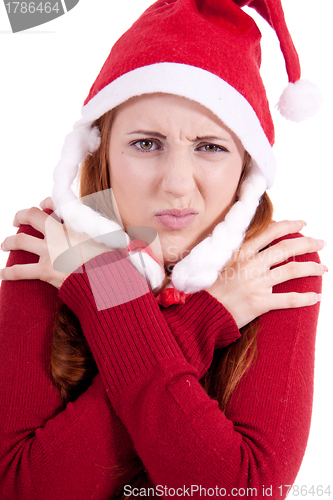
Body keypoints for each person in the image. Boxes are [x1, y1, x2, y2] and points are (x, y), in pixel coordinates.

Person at [0, 0, 327, 499]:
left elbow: (243, 492)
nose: (177, 185)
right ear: (101, 149)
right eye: (147, 144)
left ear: (246, 164)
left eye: (211, 146)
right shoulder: (51, 247)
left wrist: (98, 289)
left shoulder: (276, 266)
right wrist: (204, 318)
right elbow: (22, 487)